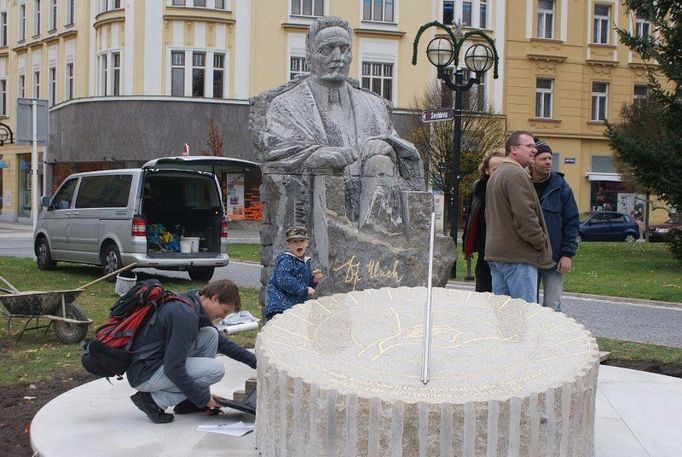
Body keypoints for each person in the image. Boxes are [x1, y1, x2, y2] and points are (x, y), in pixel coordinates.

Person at [260, 16, 424, 240]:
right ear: (309, 56)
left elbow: (404, 154)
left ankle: (377, 246)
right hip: (317, 211)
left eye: (344, 49)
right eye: (327, 49)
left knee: (380, 162)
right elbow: (274, 151)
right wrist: (318, 155)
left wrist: (387, 147)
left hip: (374, 207)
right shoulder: (286, 105)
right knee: (328, 174)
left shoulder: (374, 106)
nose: (338, 57)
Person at [127, 279, 256, 424]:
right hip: (145, 373)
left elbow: (223, 343)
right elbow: (173, 368)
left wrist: (256, 362)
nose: (224, 317)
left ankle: (189, 401)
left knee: (210, 335)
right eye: (225, 311)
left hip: (149, 363)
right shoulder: (186, 316)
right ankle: (153, 401)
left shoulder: (191, 303)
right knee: (215, 370)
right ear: (214, 298)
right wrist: (203, 398)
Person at [484, 131, 555, 303]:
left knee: (504, 318)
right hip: (517, 257)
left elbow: (489, 215)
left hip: (498, 255)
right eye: (529, 146)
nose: (534, 151)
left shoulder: (498, 174)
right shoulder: (517, 174)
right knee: (524, 317)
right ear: (514, 149)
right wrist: (540, 242)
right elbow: (525, 217)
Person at [530, 140, 579, 311]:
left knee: (553, 306)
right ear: (533, 161)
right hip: (527, 256)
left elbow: (571, 222)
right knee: (528, 306)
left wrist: (568, 254)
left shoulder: (561, 187)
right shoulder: (522, 183)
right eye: (543, 158)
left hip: (555, 257)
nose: (548, 162)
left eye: (550, 158)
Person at [462, 149, 505, 292]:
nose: (499, 173)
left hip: (506, 251)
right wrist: (466, 245)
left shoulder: (512, 187)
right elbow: (471, 217)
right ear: (487, 170)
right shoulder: (479, 188)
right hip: (484, 248)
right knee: (483, 291)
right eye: (495, 169)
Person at [265, 226, 323, 321]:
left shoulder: (305, 262)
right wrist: (305, 290)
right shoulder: (286, 260)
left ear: (307, 243)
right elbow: (284, 280)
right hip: (280, 307)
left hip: (294, 308)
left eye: (302, 241)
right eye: (295, 242)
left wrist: (314, 281)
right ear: (288, 244)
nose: (298, 244)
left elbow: (304, 284)